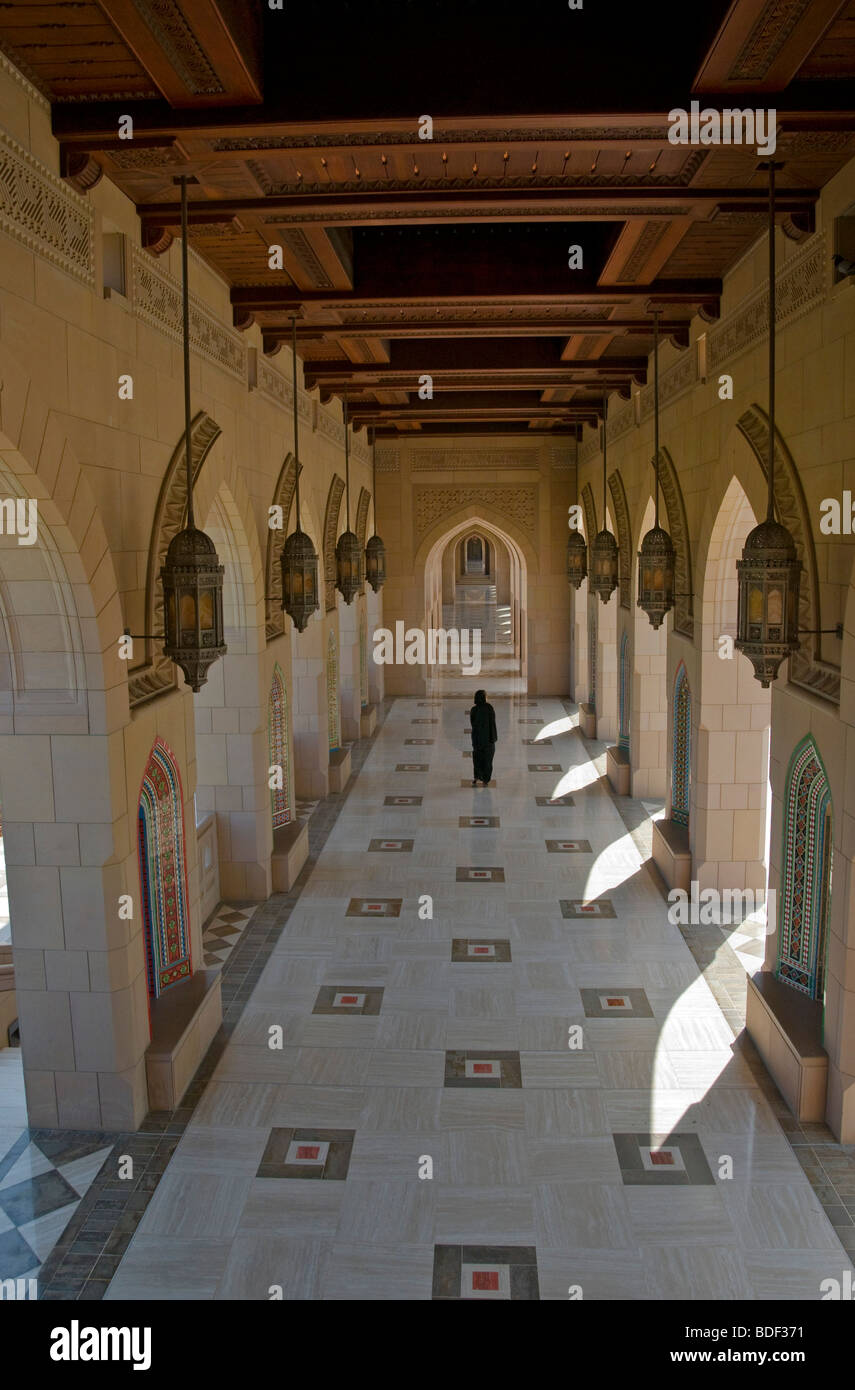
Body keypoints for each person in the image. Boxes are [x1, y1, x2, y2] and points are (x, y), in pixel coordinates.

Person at [469, 689, 498, 786]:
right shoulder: (489, 708)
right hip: (488, 739)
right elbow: (492, 722)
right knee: (488, 760)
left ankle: (477, 777)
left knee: (477, 759)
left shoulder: (474, 709)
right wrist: (493, 737)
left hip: (477, 739)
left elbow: (472, 723)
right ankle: (486, 779)